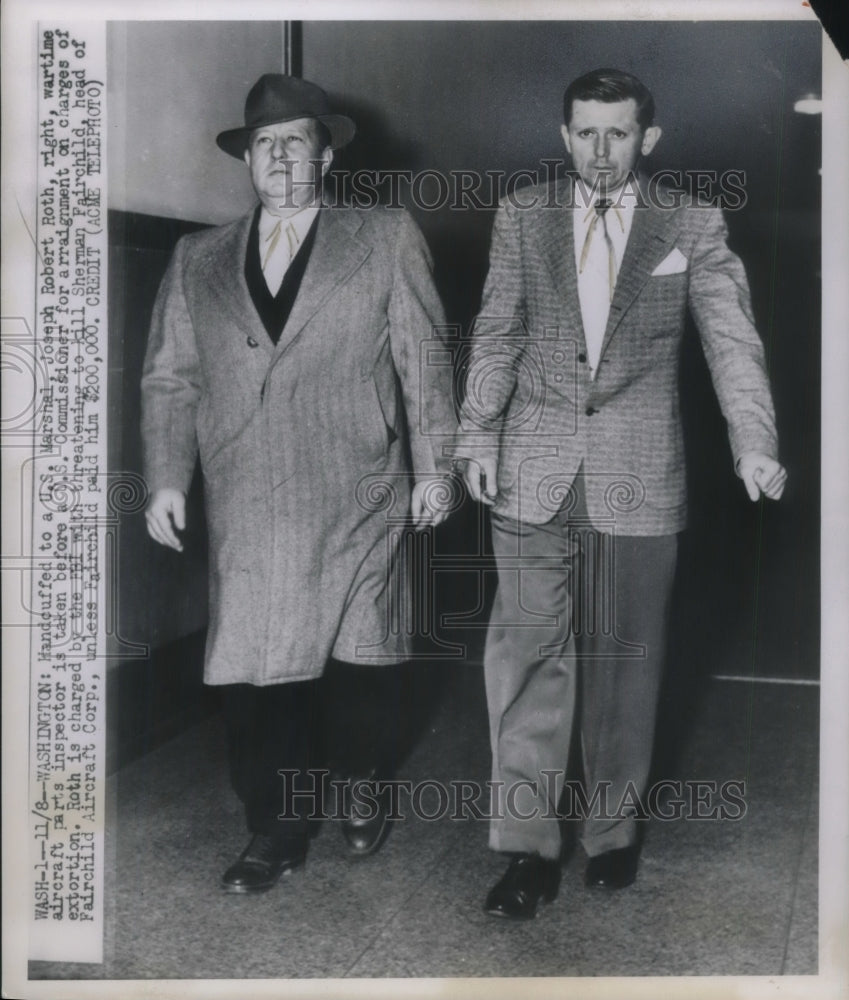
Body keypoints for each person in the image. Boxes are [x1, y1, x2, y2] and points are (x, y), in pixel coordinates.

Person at [452, 68, 787, 919]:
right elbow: (496, 327)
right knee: (526, 661)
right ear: (564, 136)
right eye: (585, 133)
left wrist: (754, 442)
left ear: (649, 139)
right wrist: (474, 434)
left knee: (623, 668)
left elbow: (730, 338)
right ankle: (526, 848)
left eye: (618, 133)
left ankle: (609, 833)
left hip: (640, 472)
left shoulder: (690, 219)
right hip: (530, 465)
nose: (600, 151)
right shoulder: (523, 213)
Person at [141, 74, 456, 893]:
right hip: (246, 493)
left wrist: (435, 468)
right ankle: (273, 828)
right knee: (255, 664)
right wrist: (167, 479)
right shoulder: (196, 257)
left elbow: (422, 358)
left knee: (359, 657)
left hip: (359, 487)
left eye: (296, 141)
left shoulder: (383, 237)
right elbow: (170, 380)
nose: (280, 157)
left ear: (324, 154)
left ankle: (358, 785)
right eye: (264, 145)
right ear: (247, 161)